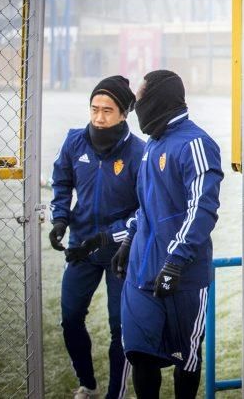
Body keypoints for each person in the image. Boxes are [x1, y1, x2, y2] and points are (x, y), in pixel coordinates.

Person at [111, 70, 223, 399]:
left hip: (182, 276)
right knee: (140, 353)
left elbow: (202, 209)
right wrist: (130, 239)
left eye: (141, 99)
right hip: (142, 272)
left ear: (159, 98)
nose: (136, 107)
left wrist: (175, 261)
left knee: (185, 359)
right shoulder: (152, 144)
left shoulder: (197, 143)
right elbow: (146, 204)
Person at [49, 75, 144, 399]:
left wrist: (111, 237)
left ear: (123, 114)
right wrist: (61, 218)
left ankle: (115, 393)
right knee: (71, 317)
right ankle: (87, 384)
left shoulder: (139, 152)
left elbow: (144, 210)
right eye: (94, 109)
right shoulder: (74, 142)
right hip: (82, 248)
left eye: (107, 110)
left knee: (121, 327)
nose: (99, 117)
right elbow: (61, 183)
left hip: (122, 250)